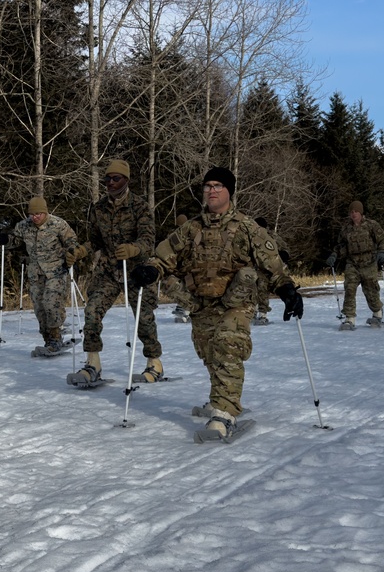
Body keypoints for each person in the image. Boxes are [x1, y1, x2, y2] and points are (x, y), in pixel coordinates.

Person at [129, 167, 302, 440]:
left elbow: (273, 266)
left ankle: (224, 413)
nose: (211, 190)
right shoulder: (191, 228)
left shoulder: (247, 228)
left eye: (218, 185)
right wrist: (151, 269)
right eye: (208, 185)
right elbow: (164, 255)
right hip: (200, 302)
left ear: (229, 191)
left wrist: (288, 290)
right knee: (209, 353)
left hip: (237, 302)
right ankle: (220, 397)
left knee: (227, 345)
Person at [66, 158, 162, 387]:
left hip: (136, 271)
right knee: (91, 312)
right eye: (107, 178)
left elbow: (149, 241)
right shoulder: (98, 208)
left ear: (126, 180)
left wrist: (134, 249)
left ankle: (154, 363)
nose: (110, 182)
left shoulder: (139, 207)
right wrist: (81, 251)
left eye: (115, 178)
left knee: (144, 318)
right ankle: (93, 364)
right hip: (109, 271)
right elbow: (95, 241)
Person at [0, 196, 81, 356]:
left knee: (51, 304)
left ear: (45, 212)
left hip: (56, 271)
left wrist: (72, 254)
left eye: (38, 214)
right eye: (32, 214)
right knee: (39, 308)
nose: (35, 217)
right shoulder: (23, 226)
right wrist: (7, 240)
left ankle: (56, 337)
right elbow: (16, 241)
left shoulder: (58, 224)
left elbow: (72, 241)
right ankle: (48, 340)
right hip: (35, 273)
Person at [326, 200, 384, 331]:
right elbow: (341, 245)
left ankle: (377, 313)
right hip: (352, 264)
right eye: (351, 212)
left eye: (356, 211)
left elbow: (382, 240)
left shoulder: (372, 225)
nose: (353, 214)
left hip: (369, 262)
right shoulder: (346, 229)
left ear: (361, 212)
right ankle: (349, 318)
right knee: (349, 289)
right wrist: (334, 255)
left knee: (371, 291)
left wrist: (382, 252)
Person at [252, 216, 291, 325]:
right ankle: (254, 313)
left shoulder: (272, 236)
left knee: (262, 290)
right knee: (255, 290)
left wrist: (284, 255)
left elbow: (285, 248)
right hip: (257, 267)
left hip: (271, 267)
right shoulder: (252, 236)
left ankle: (262, 314)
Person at [163, 214, 195, 323]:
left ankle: (184, 309)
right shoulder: (182, 235)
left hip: (179, 266)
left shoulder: (174, 234)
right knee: (186, 288)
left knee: (182, 288)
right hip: (182, 266)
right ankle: (185, 310)